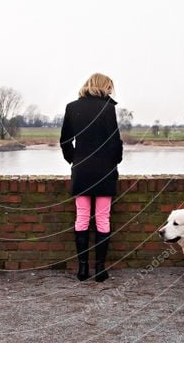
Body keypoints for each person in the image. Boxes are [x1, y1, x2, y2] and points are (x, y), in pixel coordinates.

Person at [59, 73, 123, 282]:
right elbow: (114, 141)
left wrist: (74, 160)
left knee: (82, 218)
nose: (111, 91)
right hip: (104, 170)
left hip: (82, 169)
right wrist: (115, 161)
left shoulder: (71, 107)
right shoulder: (108, 108)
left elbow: (65, 141)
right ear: (103, 87)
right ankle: (100, 270)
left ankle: (83, 269)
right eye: (110, 87)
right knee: (103, 219)